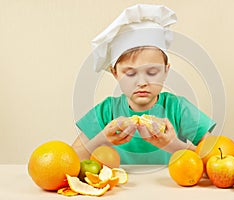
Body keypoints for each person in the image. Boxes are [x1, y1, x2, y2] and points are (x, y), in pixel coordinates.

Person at [72, 4, 216, 164]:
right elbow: (69, 161)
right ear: (115, 73)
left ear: (166, 71)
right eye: (130, 73)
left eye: (152, 72)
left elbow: (213, 161)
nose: (142, 83)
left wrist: (174, 145)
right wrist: (102, 140)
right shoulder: (105, 112)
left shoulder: (179, 109)